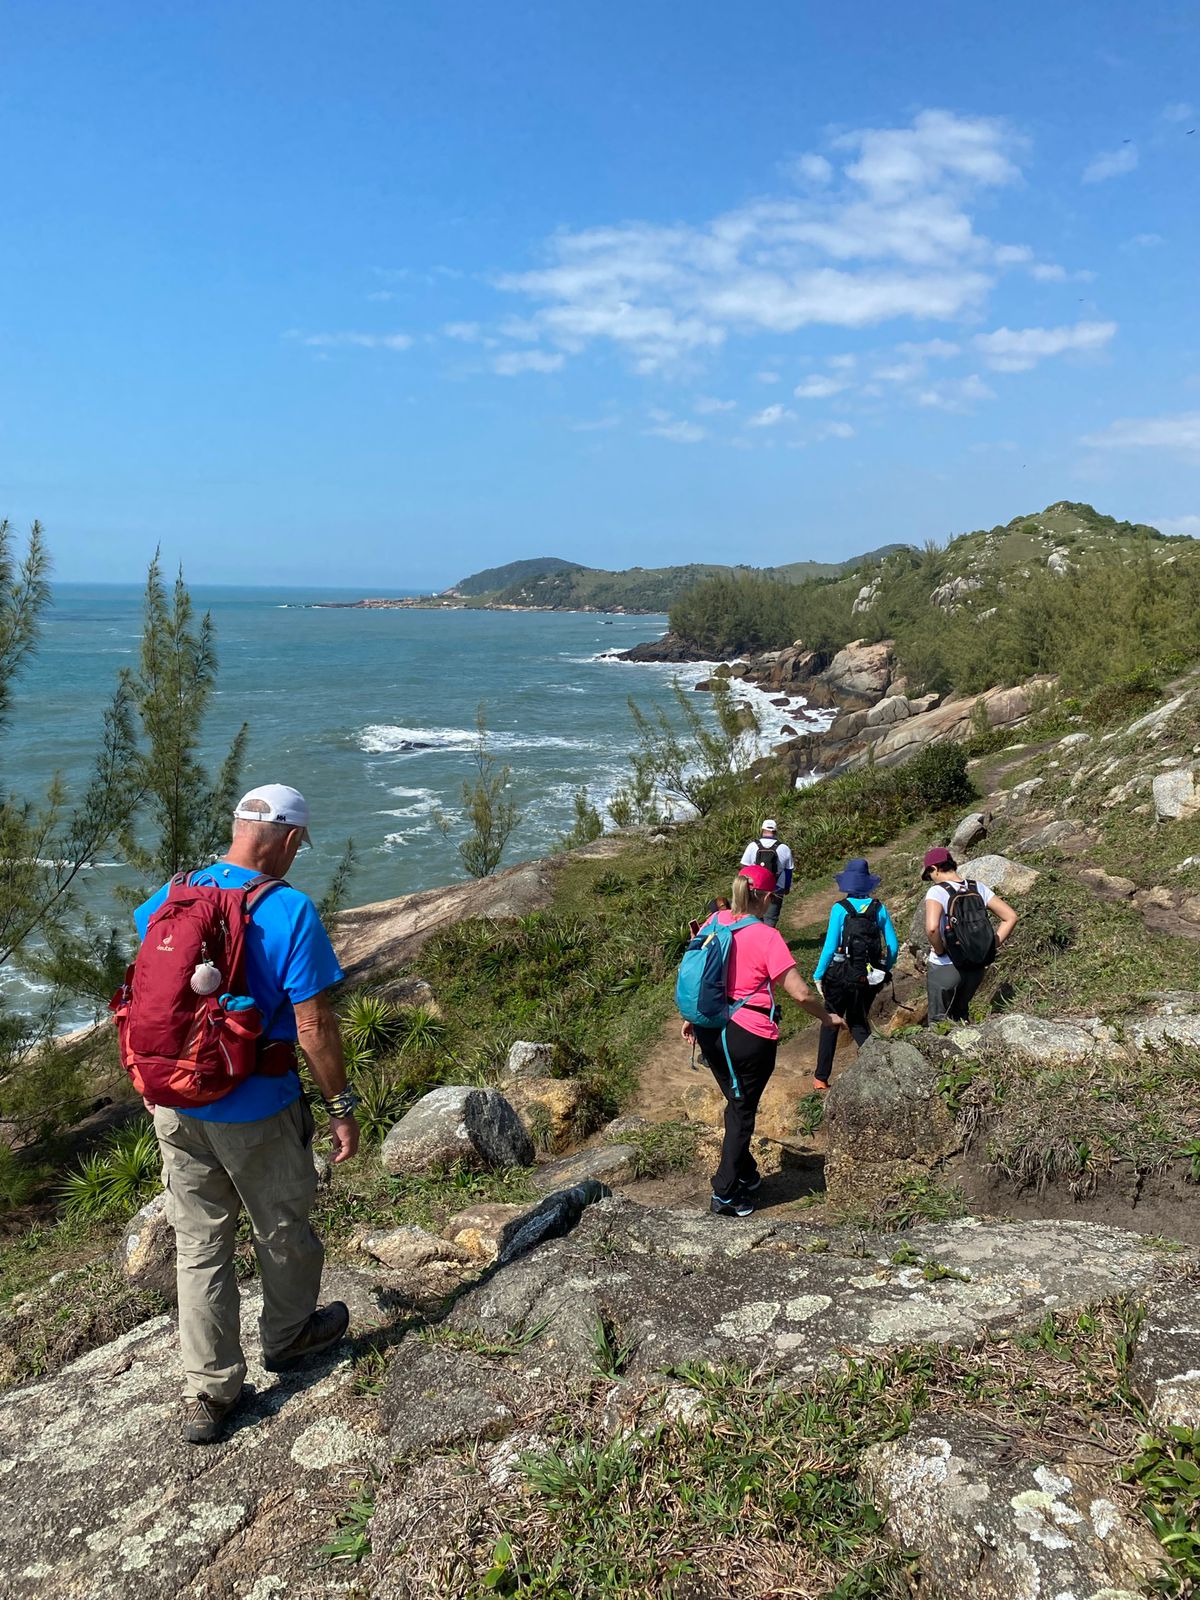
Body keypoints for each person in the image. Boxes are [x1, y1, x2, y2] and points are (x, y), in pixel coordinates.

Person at [134, 784, 361, 1445]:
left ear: (239, 829)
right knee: (281, 1229)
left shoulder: (168, 896)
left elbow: (153, 999)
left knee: (200, 1244)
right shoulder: (288, 908)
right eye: (298, 845)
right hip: (257, 1107)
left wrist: (155, 1077)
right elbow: (314, 1025)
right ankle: (289, 1338)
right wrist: (340, 1106)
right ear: (287, 840)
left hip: (177, 1103)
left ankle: (210, 1392)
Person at [681, 863, 844, 1217]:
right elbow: (800, 993)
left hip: (710, 1030)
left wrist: (691, 1016)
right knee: (742, 1110)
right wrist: (827, 1017)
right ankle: (725, 1193)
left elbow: (699, 971)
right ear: (768, 897)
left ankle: (746, 1172)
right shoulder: (767, 936)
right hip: (748, 1036)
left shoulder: (714, 921)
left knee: (736, 1100)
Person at [811, 857, 899, 1092]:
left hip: (840, 976)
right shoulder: (879, 908)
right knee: (859, 1022)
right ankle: (879, 1067)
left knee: (830, 1021)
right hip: (867, 977)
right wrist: (884, 969)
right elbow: (893, 945)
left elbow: (830, 946)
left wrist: (818, 975)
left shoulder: (840, 909)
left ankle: (821, 1078)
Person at [921, 847, 1018, 1024]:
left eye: (929, 875)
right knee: (961, 1015)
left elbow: (932, 928)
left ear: (934, 868)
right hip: (976, 966)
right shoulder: (976, 887)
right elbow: (1010, 917)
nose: (931, 879)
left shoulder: (937, 891)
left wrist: (940, 950)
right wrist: (991, 944)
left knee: (939, 1021)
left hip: (946, 966)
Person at [740, 819, 794, 928]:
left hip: (755, 888)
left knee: (754, 920)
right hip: (776, 889)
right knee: (770, 920)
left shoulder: (752, 846)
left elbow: (744, 867)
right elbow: (788, 871)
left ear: (762, 830)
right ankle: (768, 937)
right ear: (775, 831)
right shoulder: (784, 848)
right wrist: (786, 888)